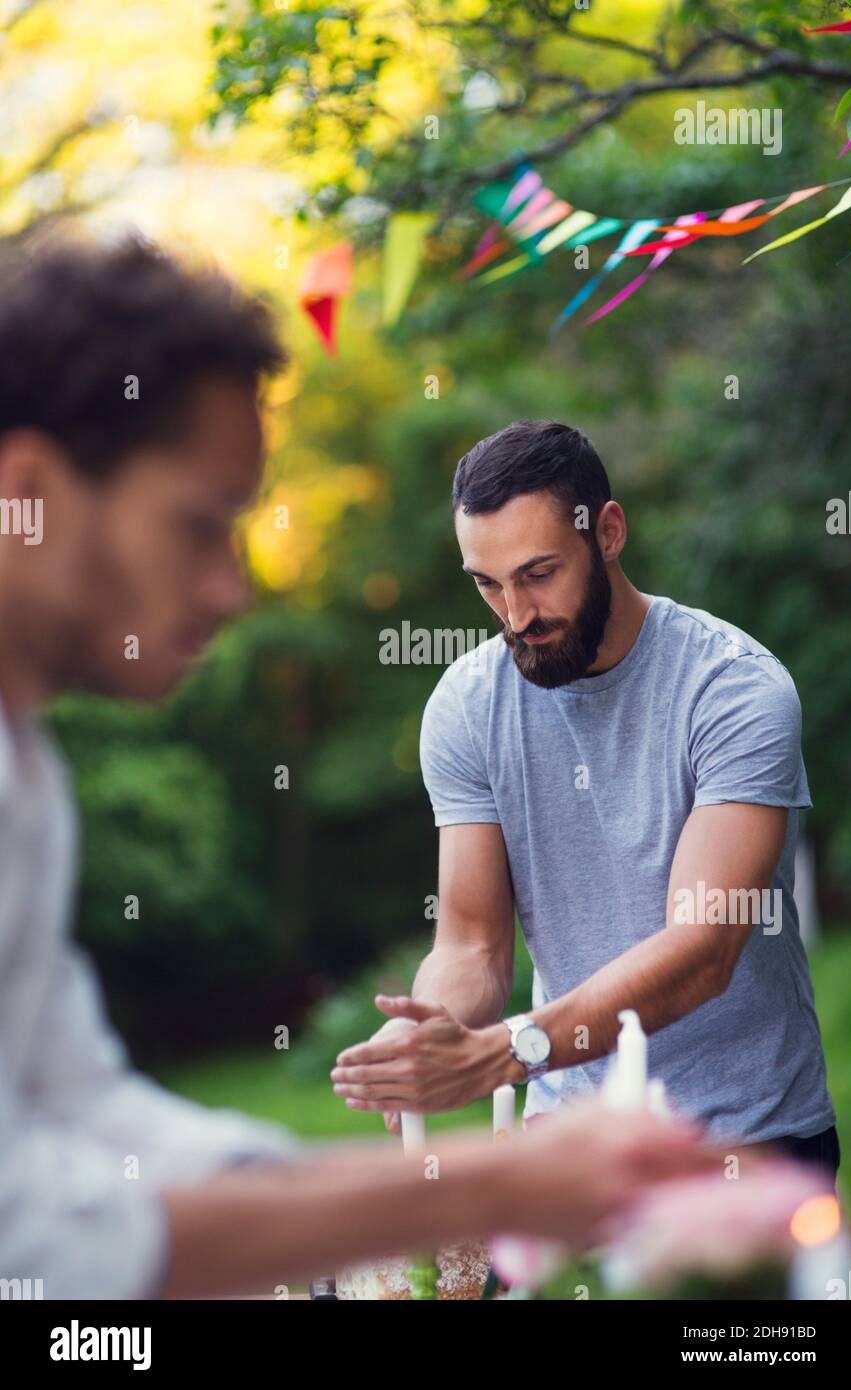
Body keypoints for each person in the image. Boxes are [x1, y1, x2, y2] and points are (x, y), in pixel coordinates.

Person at [0, 238, 718, 1300]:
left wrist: (387, 1218)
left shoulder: (26, 764)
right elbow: (32, 1229)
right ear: (29, 491)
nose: (233, 589)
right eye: (200, 526)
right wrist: (483, 1185)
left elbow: (83, 1110)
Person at [332, 420, 840, 1181]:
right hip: (571, 1141)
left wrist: (509, 1052)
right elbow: (471, 946)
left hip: (749, 1140)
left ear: (607, 532)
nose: (516, 615)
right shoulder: (467, 706)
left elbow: (703, 948)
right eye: (488, 584)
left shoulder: (734, 688)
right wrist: (432, 1030)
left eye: (538, 574)